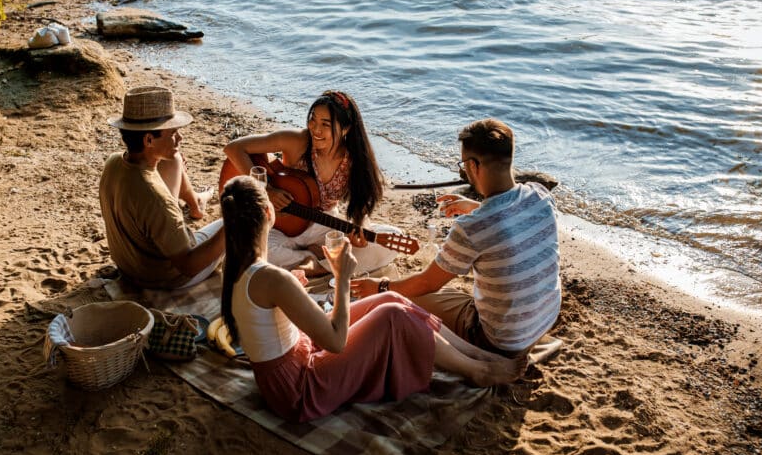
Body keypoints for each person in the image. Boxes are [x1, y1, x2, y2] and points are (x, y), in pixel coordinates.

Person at [219, 176, 527, 423]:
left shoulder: (238, 268)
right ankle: (477, 371)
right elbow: (336, 342)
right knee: (393, 315)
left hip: (290, 366)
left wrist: (295, 290)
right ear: (270, 214)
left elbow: (268, 318)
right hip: (301, 389)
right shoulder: (272, 278)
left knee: (390, 298)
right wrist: (341, 277)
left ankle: (478, 356)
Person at [352, 118, 560, 360]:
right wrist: (476, 207)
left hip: (500, 340)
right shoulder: (540, 195)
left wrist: (380, 287)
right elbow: (511, 220)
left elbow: (427, 283)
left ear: (473, 166)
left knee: (409, 297)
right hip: (544, 320)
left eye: (463, 165)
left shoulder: (472, 228)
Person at [223, 90, 396, 275]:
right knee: (247, 251)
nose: (316, 129)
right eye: (313, 119)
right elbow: (234, 148)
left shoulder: (354, 160)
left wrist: (361, 229)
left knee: (392, 239)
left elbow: (360, 204)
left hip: (324, 226)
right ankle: (314, 260)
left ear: (345, 129)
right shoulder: (296, 141)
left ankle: (315, 264)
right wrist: (266, 190)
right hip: (278, 227)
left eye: (325, 124)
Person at [99, 86, 224, 290]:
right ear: (149, 140)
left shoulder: (114, 162)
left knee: (174, 158)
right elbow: (188, 266)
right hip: (164, 278)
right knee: (239, 225)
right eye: (173, 133)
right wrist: (234, 225)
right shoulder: (156, 199)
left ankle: (197, 202)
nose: (180, 139)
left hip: (129, 265)